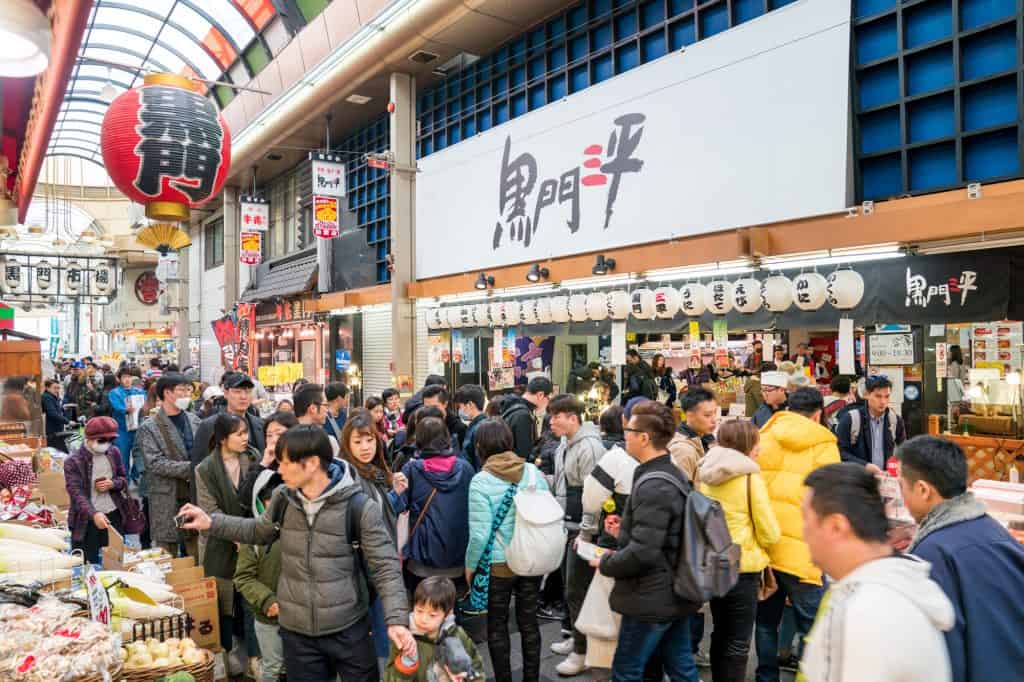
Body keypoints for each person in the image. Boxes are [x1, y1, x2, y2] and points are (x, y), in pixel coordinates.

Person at [176, 425, 415, 679]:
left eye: (286, 462)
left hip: (348, 627)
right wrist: (211, 522)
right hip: (298, 633)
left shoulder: (358, 507)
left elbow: (386, 567)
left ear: (311, 463)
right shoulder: (283, 498)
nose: (279, 469)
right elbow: (258, 530)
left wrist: (397, 619)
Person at [798, 463, 954, 682]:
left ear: (836, 526)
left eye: (806, 520)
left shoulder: (859, 616)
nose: (803, 532)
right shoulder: (900, 586)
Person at [898, 436, 1024, 682]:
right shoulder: (993, 530)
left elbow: (940, 656)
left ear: (923, 490)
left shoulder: (931, 554)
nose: (900, 495)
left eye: (901, 486)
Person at [594, 400, 700, 682]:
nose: (623, 435)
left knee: (627, 670)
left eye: (629, 430)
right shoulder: (666, 473)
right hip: (671, 589)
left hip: (652, 594)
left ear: (644, 437)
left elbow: (644, 552)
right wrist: (624, 531)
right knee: (681, 667)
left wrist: (606, 561)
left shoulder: (654, 484)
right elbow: (660, 534)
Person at [754, 387, 839, 682]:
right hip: (806, 552)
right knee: (814, 627)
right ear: (818, 413)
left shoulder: (764, 436)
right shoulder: (825, 444)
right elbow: (832, 500)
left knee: (766, 623)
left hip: (766, 546)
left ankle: (766, 677)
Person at [466, 419, 549, 682]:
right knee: (529, 624)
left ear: (481, 447)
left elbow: (479, 535)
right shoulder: (533, 473)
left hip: (499, 565)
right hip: (531, 561)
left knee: (498, 625)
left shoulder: (480, 481)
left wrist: (470, 566)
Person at [698, 420, 780, 682]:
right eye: (756, 442)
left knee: (720, 631)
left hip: (714, 560)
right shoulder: (748, 478)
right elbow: (768, 531)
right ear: (746, 444)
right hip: (742, 566)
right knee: (738, 640)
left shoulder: (708, 471)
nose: (759, 447)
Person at [547, 395, 606, 676]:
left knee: (577, 588)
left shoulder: (590, 447)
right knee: (569, 587)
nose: (551, 421)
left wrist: (587, 533)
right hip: (567, 524)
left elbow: (594, 496)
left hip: (583, 531)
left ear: (573, 418)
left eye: (557, 416)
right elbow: (563, 484)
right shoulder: (564, 444)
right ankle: (575, 638)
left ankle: (582, 652)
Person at [578, 403, 639, 672]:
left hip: (622, 551)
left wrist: (589, 532)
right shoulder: (670, 462)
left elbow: (590, 500)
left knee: (609, 616)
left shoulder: (616, 459)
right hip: (650, 562)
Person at [195, 413, 256, 672]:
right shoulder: (205, 469)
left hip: (254, 540)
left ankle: (256, 657)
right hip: (219, 543)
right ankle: (229, 653)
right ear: (222, 439)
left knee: (252, 600)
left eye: (246, 432)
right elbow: (210, 511)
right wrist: (236, 535)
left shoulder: (253, 459)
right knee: (225, 602)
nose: (246, 438)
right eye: (239, 434)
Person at [339, 408, 400, 659]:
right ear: (347, 444)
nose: (365, 447)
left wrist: (394, 494)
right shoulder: (349, 477)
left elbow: (379, 518)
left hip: (378, 568)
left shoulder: (374, 474)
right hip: (366, 573)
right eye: (358, 441)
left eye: (369, 440)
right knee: (376, 645)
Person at [390, 416, 473, 595]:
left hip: (421, 557)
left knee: (423, 612)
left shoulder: (412, 470)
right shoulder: (465, 469)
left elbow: (394, 507)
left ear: (418, 439)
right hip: (458, 555)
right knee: (450, 609)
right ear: (446, 437)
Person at [136, 373, 200, 557]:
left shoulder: (195, 420)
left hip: (191, 494)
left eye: (189, 390)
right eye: (181, 390)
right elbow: (155, 463)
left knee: (193, 541)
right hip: (167, 496)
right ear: (167, 393)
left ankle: (194, 583)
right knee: (168, 547)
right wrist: (192, 468)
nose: (186, 394)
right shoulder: (150, 427)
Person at [384, 576, 485, 682]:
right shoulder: (404, 637)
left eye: (432, 615)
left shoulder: (457, 634)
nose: (423, 619)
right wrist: (406, 663)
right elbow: (389, 678)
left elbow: (477, 668)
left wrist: (466, 675)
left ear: (447, 614)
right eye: (419, 611)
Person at [64, 417, 131, 564]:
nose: (106, 444)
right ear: (89, 438)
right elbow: (76, 492)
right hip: (86, 520)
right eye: (102, 441)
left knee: (115, 561)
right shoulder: (74, 461)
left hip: (113, 515)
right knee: (88, 563)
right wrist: (93, 514)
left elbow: (124, 479)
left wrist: (113, 483)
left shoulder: (114, 453)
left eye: (110, 440)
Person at [190, 373, 265, 475]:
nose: (243, 396)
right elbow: (198, 467)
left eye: (248, 392)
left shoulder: (259, 424)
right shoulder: (209, 425)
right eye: (237, 392)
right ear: (225, 393)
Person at [836, 374, 907, 470]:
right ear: (867, 395)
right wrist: (865, 466)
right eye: (878, 396)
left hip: (886, 478)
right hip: (858, 479)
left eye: (887, 396)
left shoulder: (895, 420)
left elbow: (903, 451)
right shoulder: (851, 419)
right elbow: (840, 452)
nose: (883, 401)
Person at [239, 411, 298, 519]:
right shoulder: (260, 464)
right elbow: (245, 499)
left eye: (279, 434)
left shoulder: (302, 463)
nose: (274, 440)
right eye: (269, 435)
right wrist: (263, 464)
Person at [668, 388, 718, 486]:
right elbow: (682, 492)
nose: (714, 420)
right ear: (689, 416)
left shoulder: (708, 439)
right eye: (707, 415)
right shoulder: (681, 450)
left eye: (715, 413)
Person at [501, 376, 553, 460]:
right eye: (548, 398)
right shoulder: (523, 415)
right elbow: (523, 454)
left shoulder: (513, 406)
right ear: (540, 395)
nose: (548, 403)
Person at [108, 368, 146, 477]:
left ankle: (135, 475)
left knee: (140, 455)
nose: (127, 380)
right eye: (124, 377)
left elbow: (146, 405)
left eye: (129, 377)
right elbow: (117, 407)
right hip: (122, 430)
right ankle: (125, 483)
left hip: (138, 429)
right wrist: (125, 409)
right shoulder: (114, 393)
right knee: (123, 458)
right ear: (119, 379)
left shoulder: (140, 392)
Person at [292, 383, 338, 456]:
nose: (327, 410)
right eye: (325, 405)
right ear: (313, 408)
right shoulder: (327, 443)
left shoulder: (284, 438)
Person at [421, 385, 467, 454]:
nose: (430, 411)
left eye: (435, 407)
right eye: (427, 407)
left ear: (445, 404)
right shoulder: (422, 423)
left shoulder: (459, 428)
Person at [453, 384, 486, 471]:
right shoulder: (477, 425)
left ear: (470, 404)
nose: (460, 410)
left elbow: (478, 462)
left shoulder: (478, 429)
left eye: (460, 406)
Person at [42, 379, 70, 453]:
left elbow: (53, 409)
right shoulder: (47, 397)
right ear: (47, 388)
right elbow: (52, 413)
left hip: (56, 430)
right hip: (52, 431)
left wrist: (62, 408)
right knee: (62, 452)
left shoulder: (52, 396)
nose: (57, 390)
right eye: (55, 388)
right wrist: (68, 421)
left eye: (58, 388)